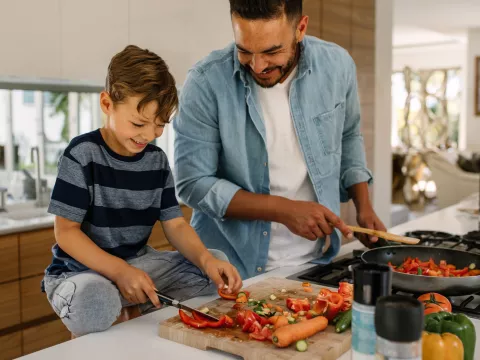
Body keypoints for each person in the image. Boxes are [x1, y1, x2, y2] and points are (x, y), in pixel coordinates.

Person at [173, 0, 386, 280]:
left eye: (272, 51)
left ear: (300, 28)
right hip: (227, 269)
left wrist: (363, 205)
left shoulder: (337, 66)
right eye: (244, 51)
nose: (258, 66)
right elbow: (192, 184)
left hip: (315, 263)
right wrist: (284, 210)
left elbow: (348, 134)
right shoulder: (205, 82)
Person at [42, 45, 242, 337]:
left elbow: (174, 224)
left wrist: (206, 260)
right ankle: (122, 306)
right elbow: (67, 232)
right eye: (138, 123)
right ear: (107, 104)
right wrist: (119, 272)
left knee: (215, 267)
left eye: (160, 125)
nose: (148, 135)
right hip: (80, 272)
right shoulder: (82, 154)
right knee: (94, 300)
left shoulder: (156, 161)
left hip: (137, 263)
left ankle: (128, 307)